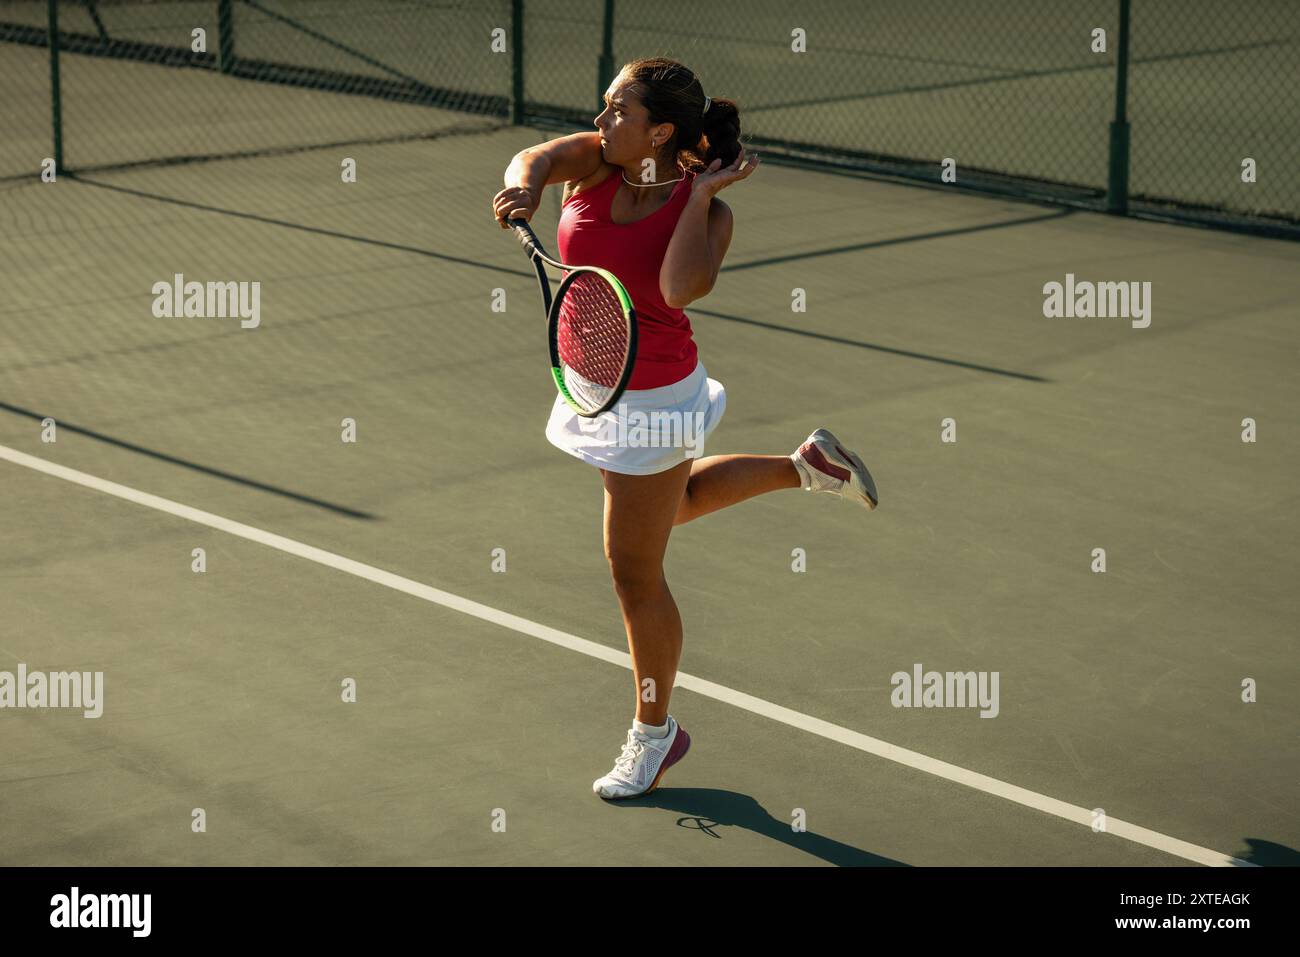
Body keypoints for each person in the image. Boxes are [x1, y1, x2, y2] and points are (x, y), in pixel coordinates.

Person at [492, 57, 878, 800]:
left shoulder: (710, 215)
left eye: (618, 112)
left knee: (634, 571)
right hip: (593, 385)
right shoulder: (596, 162)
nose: (602, 121)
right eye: (604, 108)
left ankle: (654, 732)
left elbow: (676, 288)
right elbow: (535, 156)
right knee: (670, 508)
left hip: (655, 398)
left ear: (660, 131)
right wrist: (525, 185)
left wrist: (699, 196)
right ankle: (806, 465)